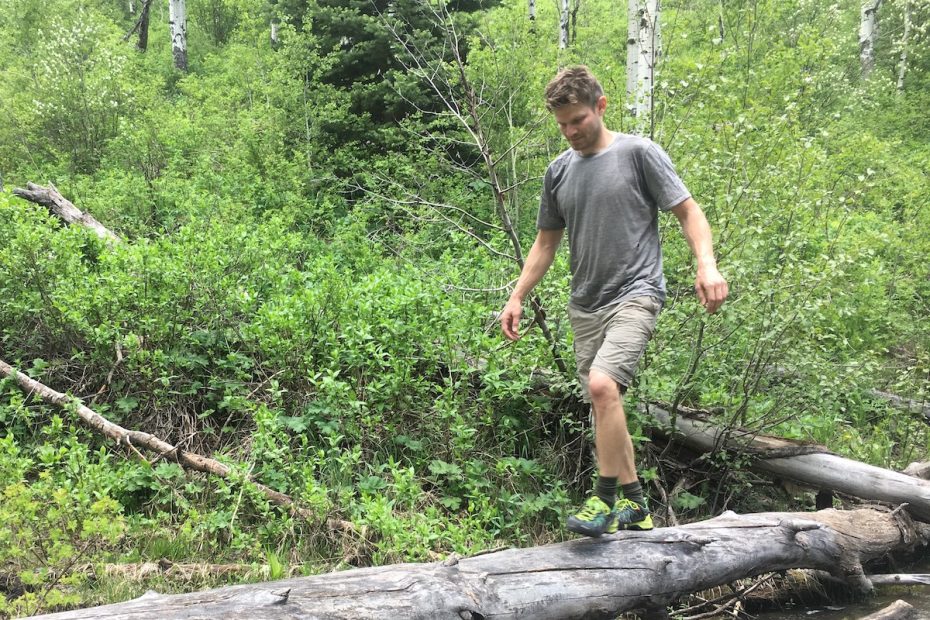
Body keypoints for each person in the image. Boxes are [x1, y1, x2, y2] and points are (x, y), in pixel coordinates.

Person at [499, 65, 728, 537]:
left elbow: (688, 211)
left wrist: (706, 263)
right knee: (606, 402)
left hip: (637, 293)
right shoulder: (558, 171)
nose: (570, 132)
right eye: (562, 124)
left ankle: (602, 501)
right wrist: (517, 295)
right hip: (585, 303)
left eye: (578, 120)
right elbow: (545, 244)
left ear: (600, 107)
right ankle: (638, 506)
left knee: (603, 387)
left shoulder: (638, 153)